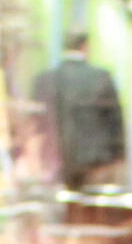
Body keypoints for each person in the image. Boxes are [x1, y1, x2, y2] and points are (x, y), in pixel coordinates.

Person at [32, 32, 125, 191]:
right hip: (96, 164)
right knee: (92, 212)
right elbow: (115, 122)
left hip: (57, 163)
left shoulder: (44, 80)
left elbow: (37, 124)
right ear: (85, 46)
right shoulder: (101, 77)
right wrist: (119, 156)